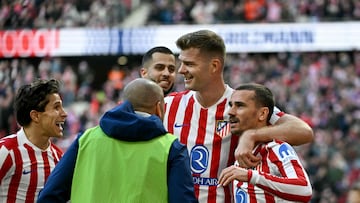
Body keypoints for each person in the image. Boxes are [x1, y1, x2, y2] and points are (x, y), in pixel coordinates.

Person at [163, 29, 314, 202]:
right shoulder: (169, 105)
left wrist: (252, 134)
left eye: (189, 64)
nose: (181, 70)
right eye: (181, 63)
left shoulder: (242, 104)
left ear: (214, 66)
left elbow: (303, 131)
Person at [37, 78, 198, 203]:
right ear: (158, 108)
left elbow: (49, 196)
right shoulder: (172, 148)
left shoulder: (85, 140)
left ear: (122, 105)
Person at [218, 83, 312, 202]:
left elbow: (304, 189)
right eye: (231, 105)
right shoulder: (243, 154)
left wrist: (250, 176)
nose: (230, 112)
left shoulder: (276, 148)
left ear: (262, 114)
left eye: (240, 106)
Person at [0, 78, 67, 203]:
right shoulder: (6, 151)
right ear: (35, 115)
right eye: (56, 107)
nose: (64, 113)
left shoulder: (59, 157)